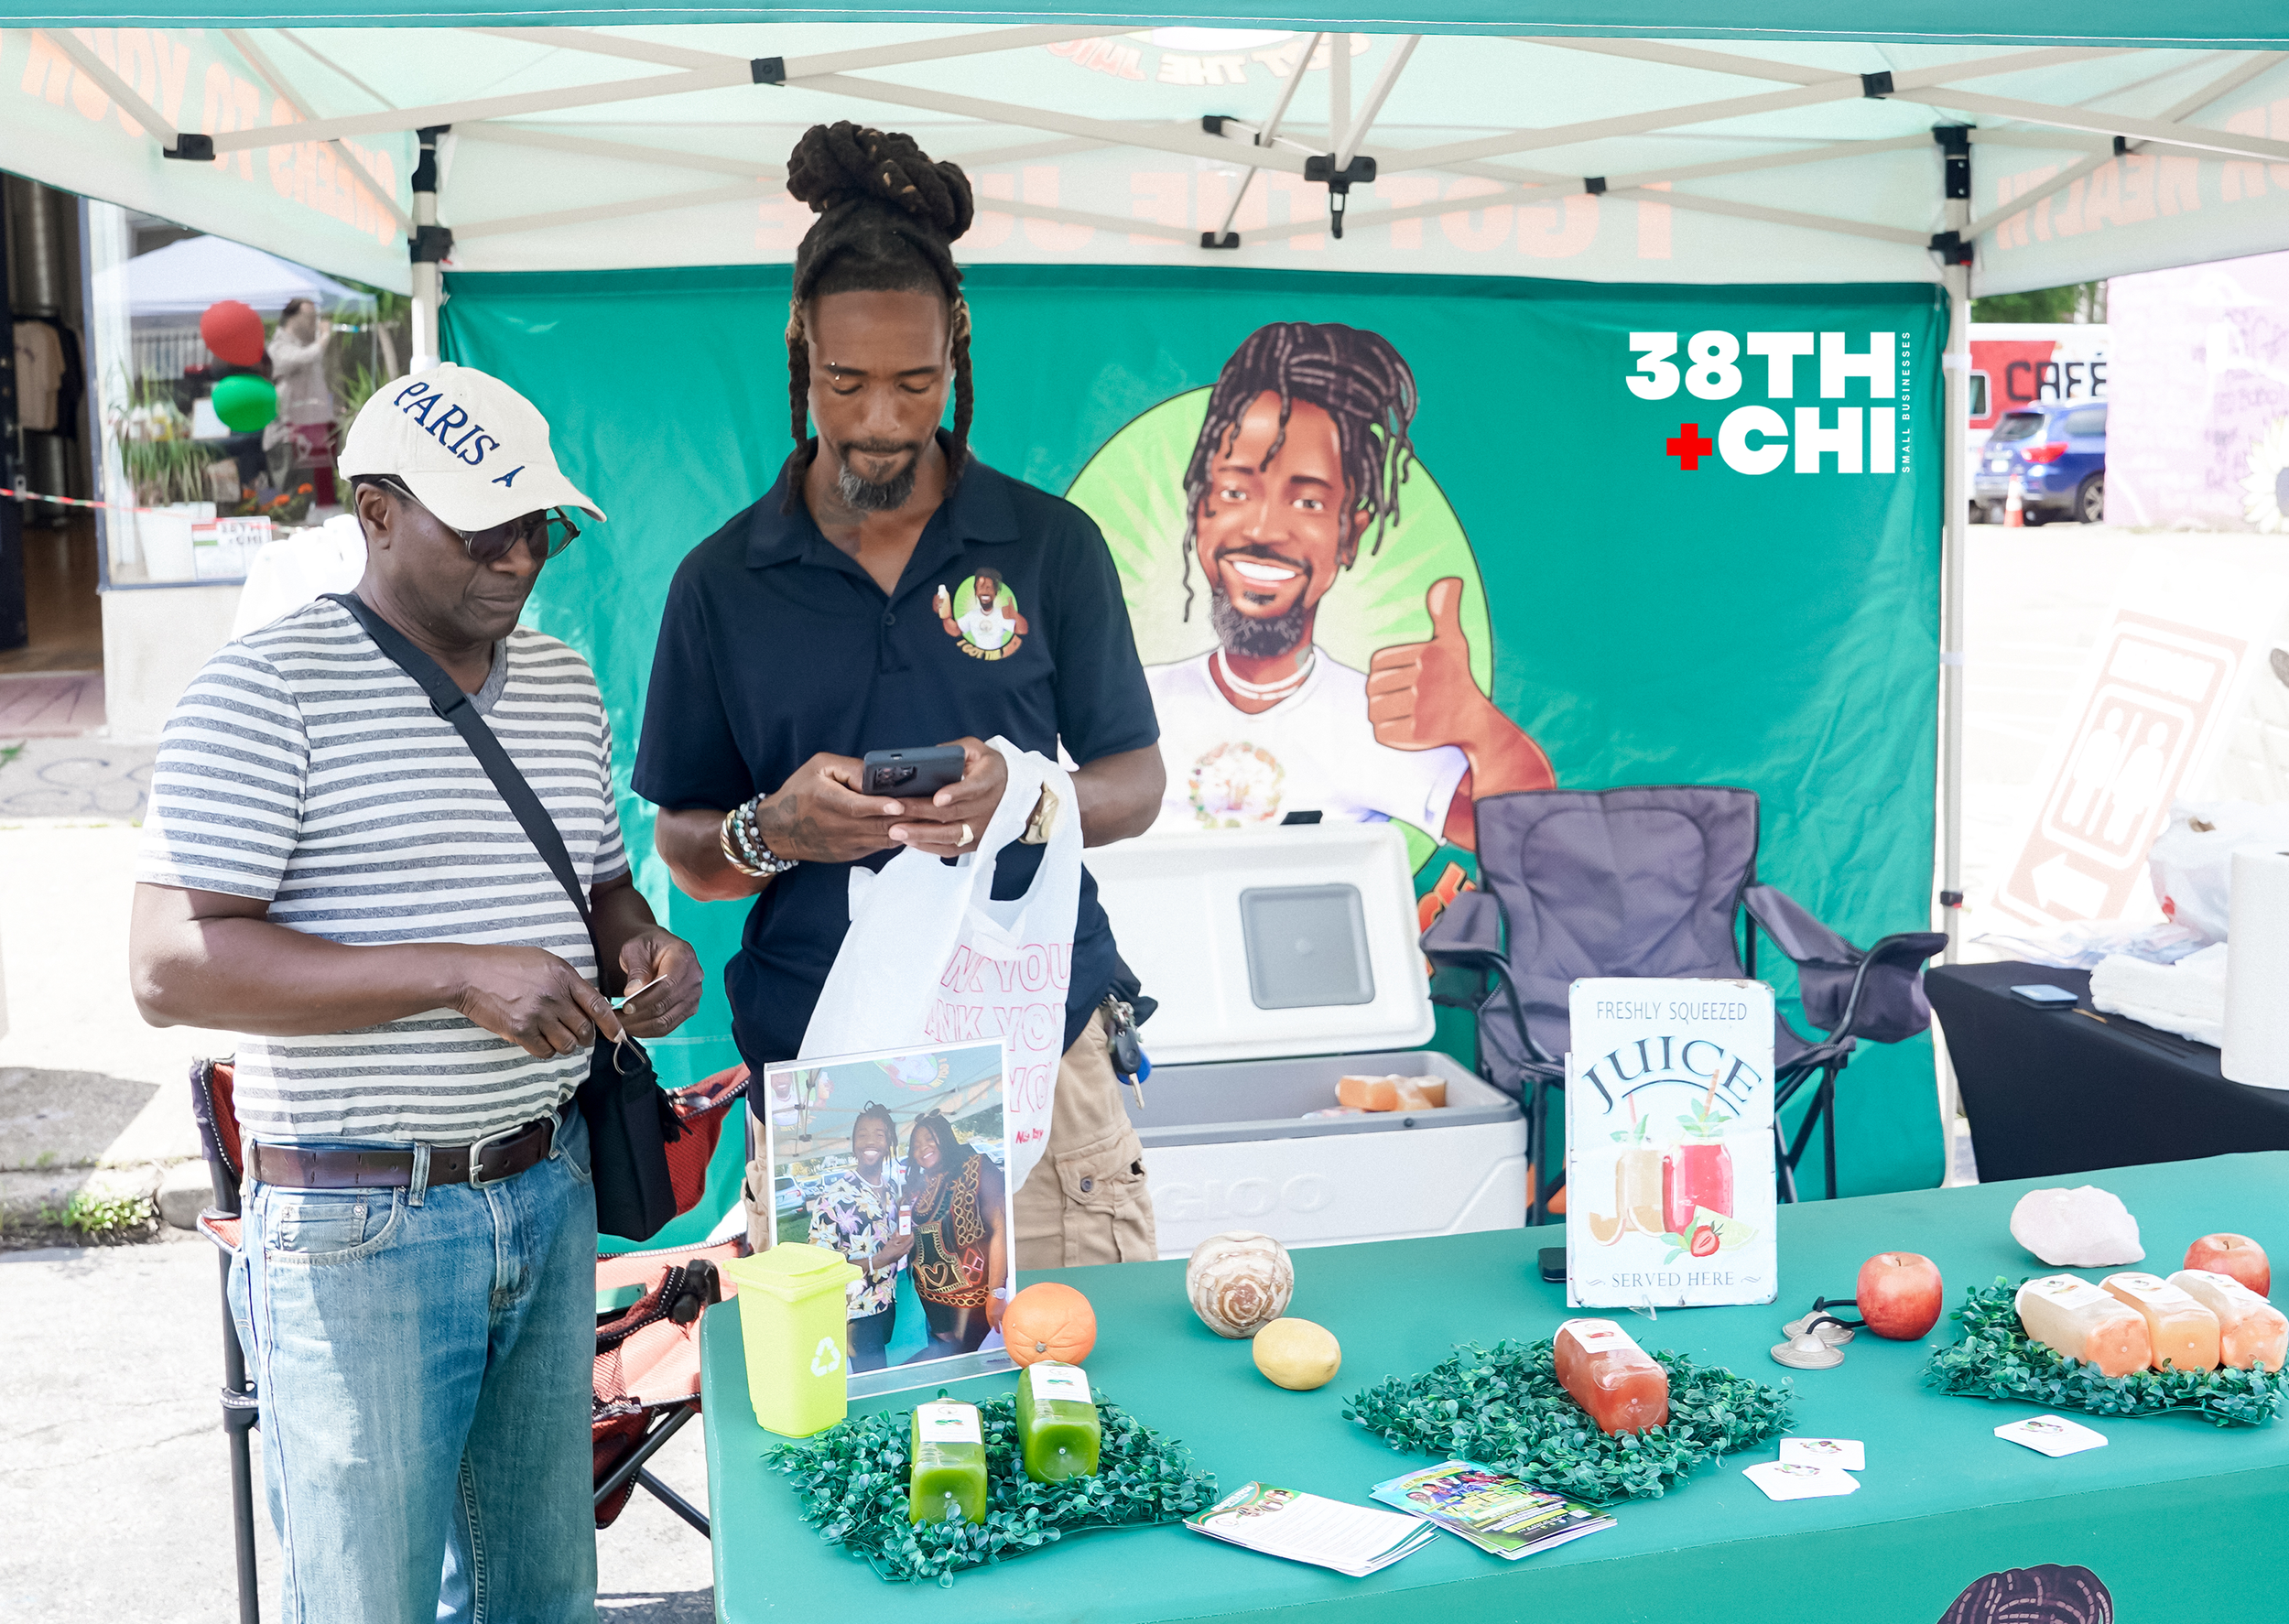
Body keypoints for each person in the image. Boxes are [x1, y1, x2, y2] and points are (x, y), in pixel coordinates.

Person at [127, 362, 704, 1622]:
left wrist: (647, 952)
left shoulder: (560, 684)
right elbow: (168, 964)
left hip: (547, 1194)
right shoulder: (262, 689)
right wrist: (452, 977)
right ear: (375, 509)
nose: (517, 555)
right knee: (368, 1600)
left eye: (537, 525)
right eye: (480, 524)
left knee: (538, 1592)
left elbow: (604, 891)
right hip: (354, 1226)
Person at [634, 122, 1165, 1278]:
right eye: (846, 381)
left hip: (1035, 1053)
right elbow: (687, 847)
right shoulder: (721, 582)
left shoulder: (1049, 546)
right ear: (799, 355)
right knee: (855, 1421)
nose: (879, 418)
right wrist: (772, 831)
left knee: (1080, 1403)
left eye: (915, 382)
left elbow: (1133, 784)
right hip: (829, 1063)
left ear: (958, 356)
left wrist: (1021, 800)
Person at [1144, 322, 1555, 849]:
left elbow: (1532, 843)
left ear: (1349, 535)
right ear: (1199, 510)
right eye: (1235, 491)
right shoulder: (1127, 708)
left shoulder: (1380, 720)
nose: (1265, 530)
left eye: (1309, 501)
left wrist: (1478, 724)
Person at [807, 1101, 911, 1371]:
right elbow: (820, 1268)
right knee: (875, 1385)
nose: (870, 1141)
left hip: (886, 1302)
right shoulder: (833, 1197)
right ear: (853, 1144)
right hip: (857, 1313)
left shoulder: (889, 1190)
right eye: (862, 1134)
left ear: (889, 1142)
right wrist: (881, 1258)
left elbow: (884, 1240)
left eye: (879, 1134)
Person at [900, 1110, 1007, 1359]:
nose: (923, 1148)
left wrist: (996, 1292)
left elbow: (1000, 1227)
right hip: (931, 1299)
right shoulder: (919, 1185)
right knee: (951, 1357)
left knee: (976, 1360)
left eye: (929, 1139)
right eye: (916, 1145)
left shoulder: (976, 1167)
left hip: (974, 1300)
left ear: (945, 1137)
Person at [266, 296, 339, 503]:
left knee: (319, 497)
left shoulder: (310, 345)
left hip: (315, 431)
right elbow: (306, 357)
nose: (314, 322)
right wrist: (324, 336)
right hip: (288, 434)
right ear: (292, 318)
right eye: (310, 317)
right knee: (291, 498)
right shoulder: (278, 347)